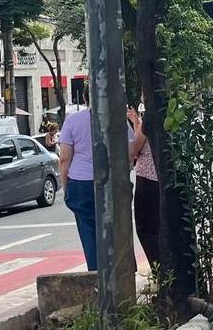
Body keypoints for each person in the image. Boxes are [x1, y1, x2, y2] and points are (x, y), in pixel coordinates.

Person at [58, 90, 133, 271]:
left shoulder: (72, 121)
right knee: (116, 229)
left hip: (80, 183)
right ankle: (121, 275)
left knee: (88, 232)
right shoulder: (117, 119)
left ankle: (97, 274)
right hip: (112, 182)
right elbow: (129, 152)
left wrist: (65, 185)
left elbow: (64, 159)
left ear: (85, 99)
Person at [127, 105, 160, 269]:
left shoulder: (150, 119)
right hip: (162, 178)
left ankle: (158, 271)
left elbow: (134, 148)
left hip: (147, 177)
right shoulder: (167, 114)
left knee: (145, 228)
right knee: (159, 225)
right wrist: (135, 122)